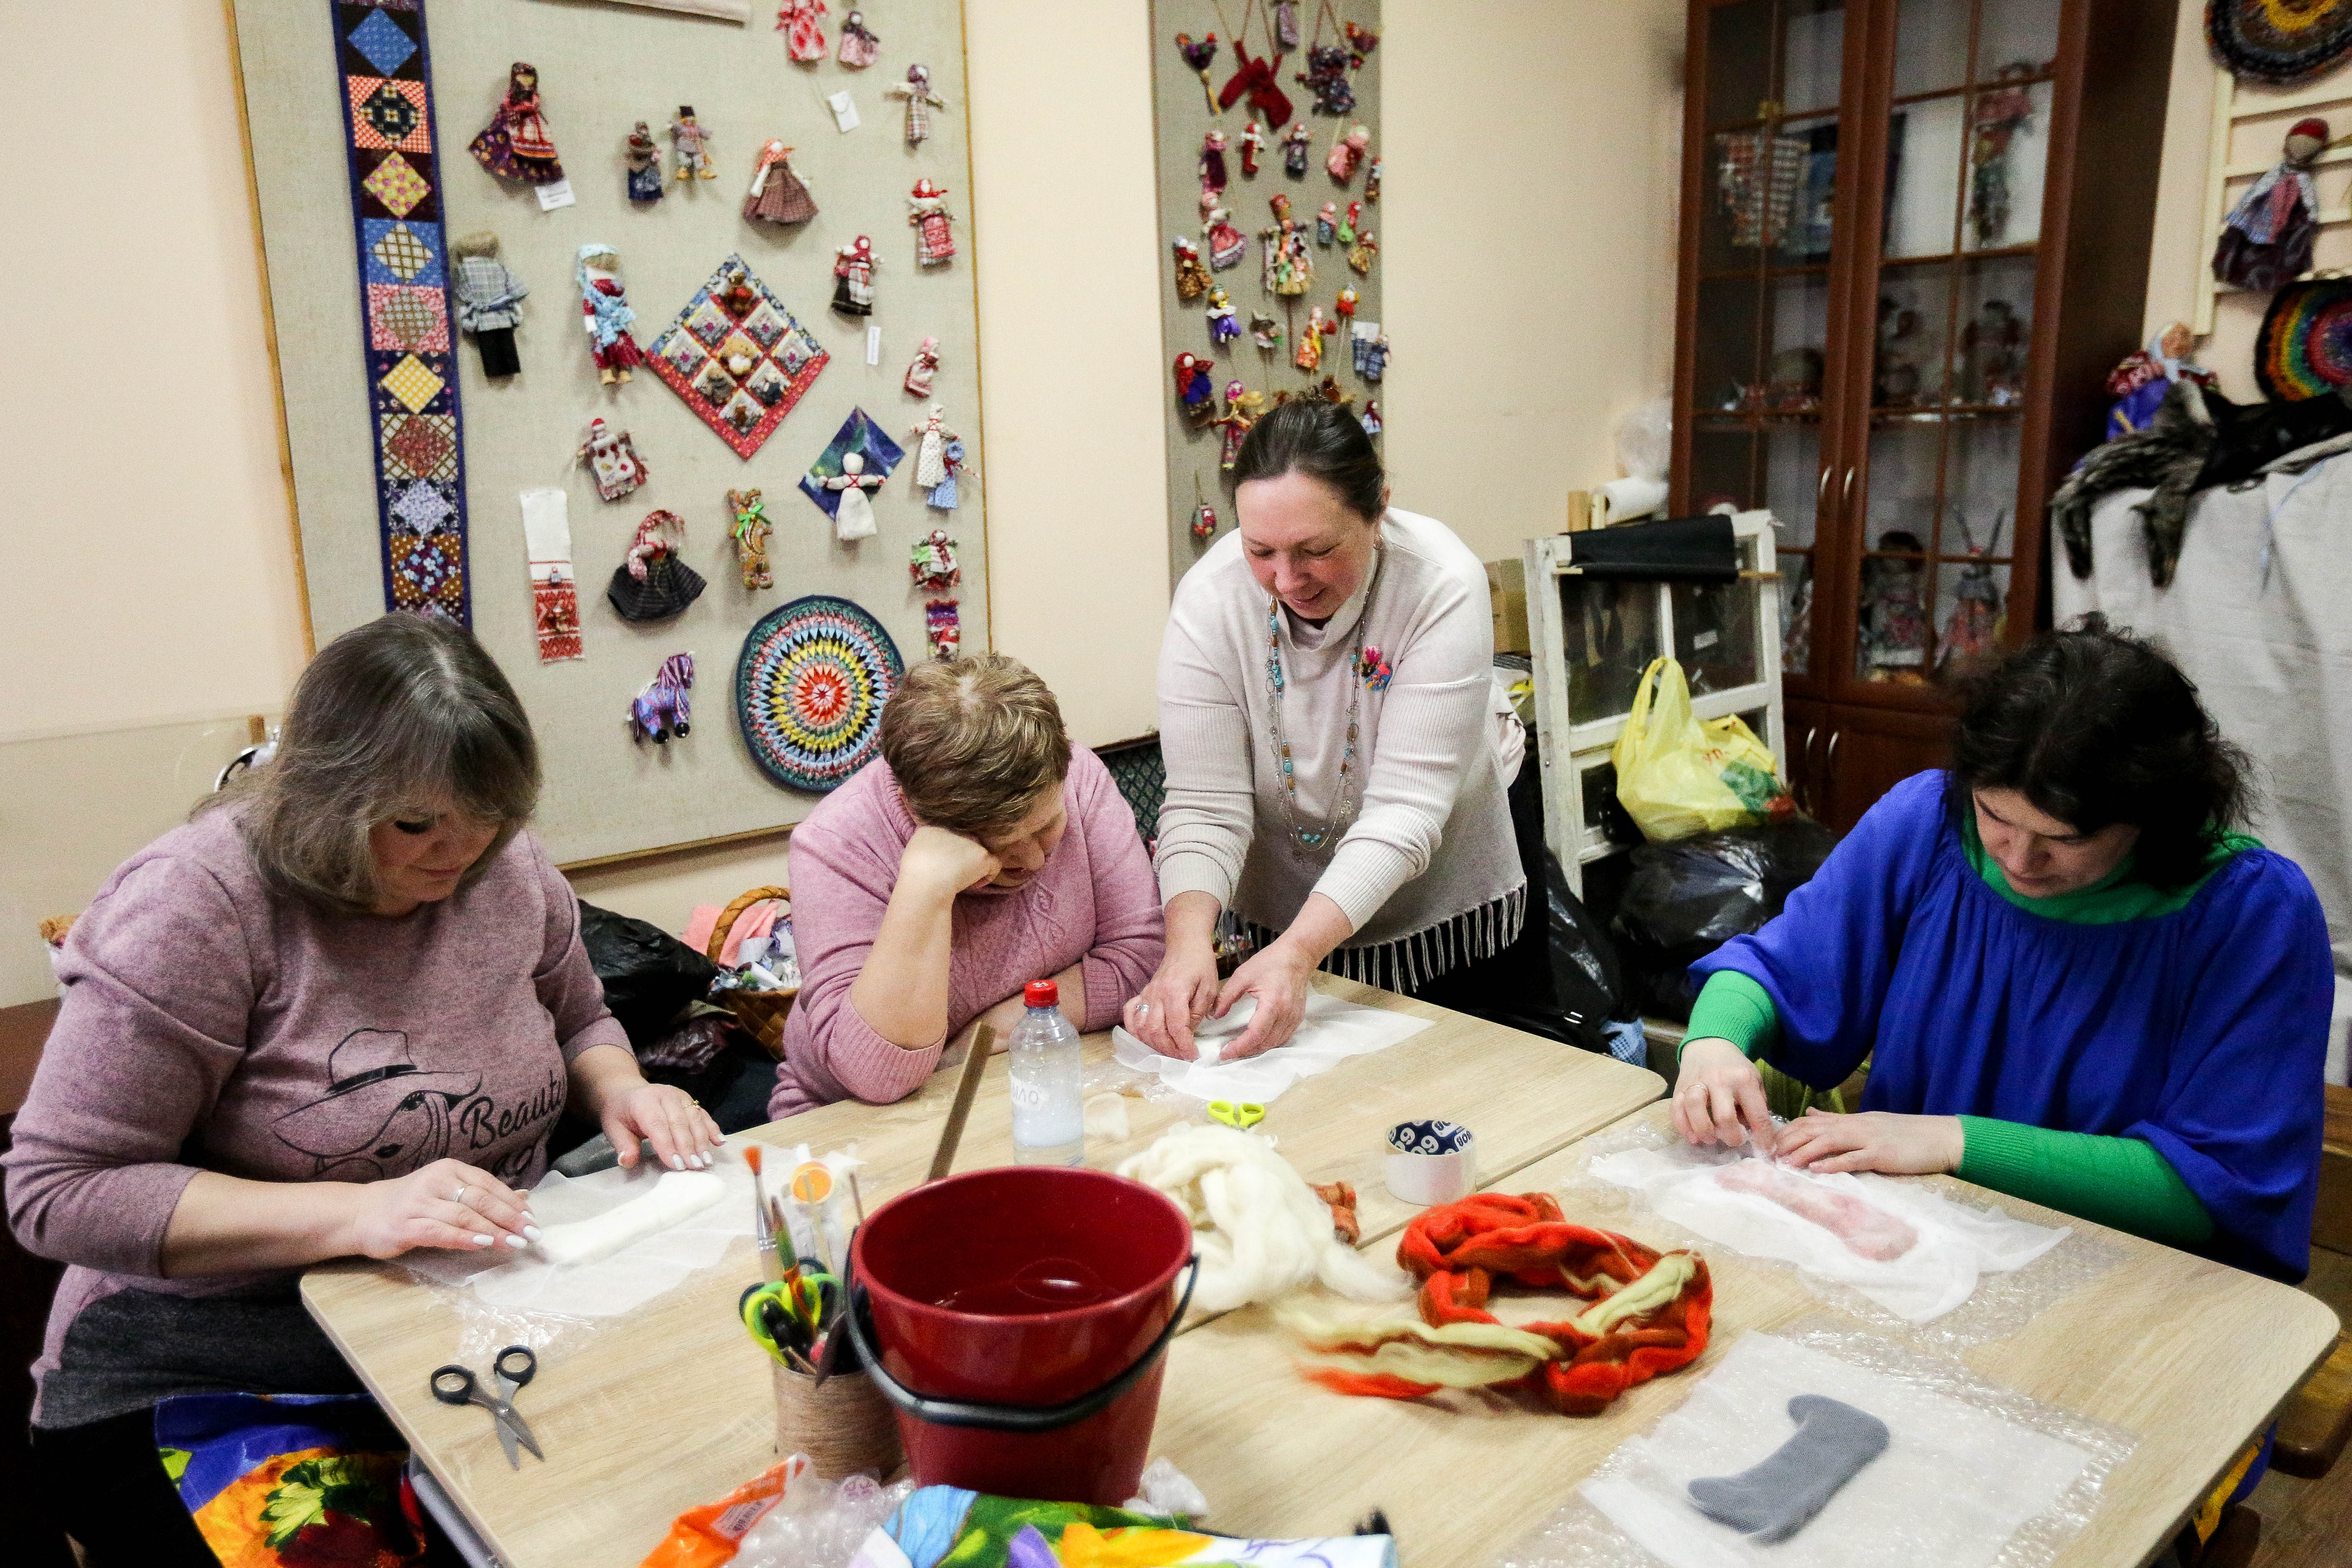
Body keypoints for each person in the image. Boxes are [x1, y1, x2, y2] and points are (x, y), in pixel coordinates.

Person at [5, 613, 722, 1566]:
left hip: (445, 1331)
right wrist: (361, 1211)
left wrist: (621, 1086)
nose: (459, 852)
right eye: (416, 824)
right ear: (328, 797)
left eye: (491, 816)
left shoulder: (506, 867)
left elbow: (580, 1018)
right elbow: (57, 1191)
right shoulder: (199, 902)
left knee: (652, 1493)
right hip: (209, 1369)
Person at [1672, 618, 2333, 1286]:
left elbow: (2219, 1187)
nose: (2019, 858)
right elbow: (1778, 967)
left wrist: (1951, 1141)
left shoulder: (2250, 914)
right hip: (1914, 1255)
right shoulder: (1928, 825)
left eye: (2065, 839)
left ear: (2153, 815)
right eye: (1994, 814)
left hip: (2130, 1284)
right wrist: (1715, 1044)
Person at [1129, 399, 1525, 1063]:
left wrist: (1299, 952)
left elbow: (1405, 810)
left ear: (1378, 512)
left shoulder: (1439, 584)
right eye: (1260, 551)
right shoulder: (1211, 598)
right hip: (1278, 914)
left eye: (1317, 550)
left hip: (1434, 910)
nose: (1287, 580)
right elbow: (1204, 802)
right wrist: (1187, 944)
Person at [768, 653, 1164, 1116]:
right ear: (915, 810)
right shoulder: (836, 843)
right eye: (997, 844)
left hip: (1023, 1074)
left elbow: (1141, 960)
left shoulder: (1079, 778)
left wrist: (992, 1032)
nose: (1033, 860)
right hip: (848, 1118)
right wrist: (924, 888)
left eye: (1046, 826)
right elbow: (876, 1074)